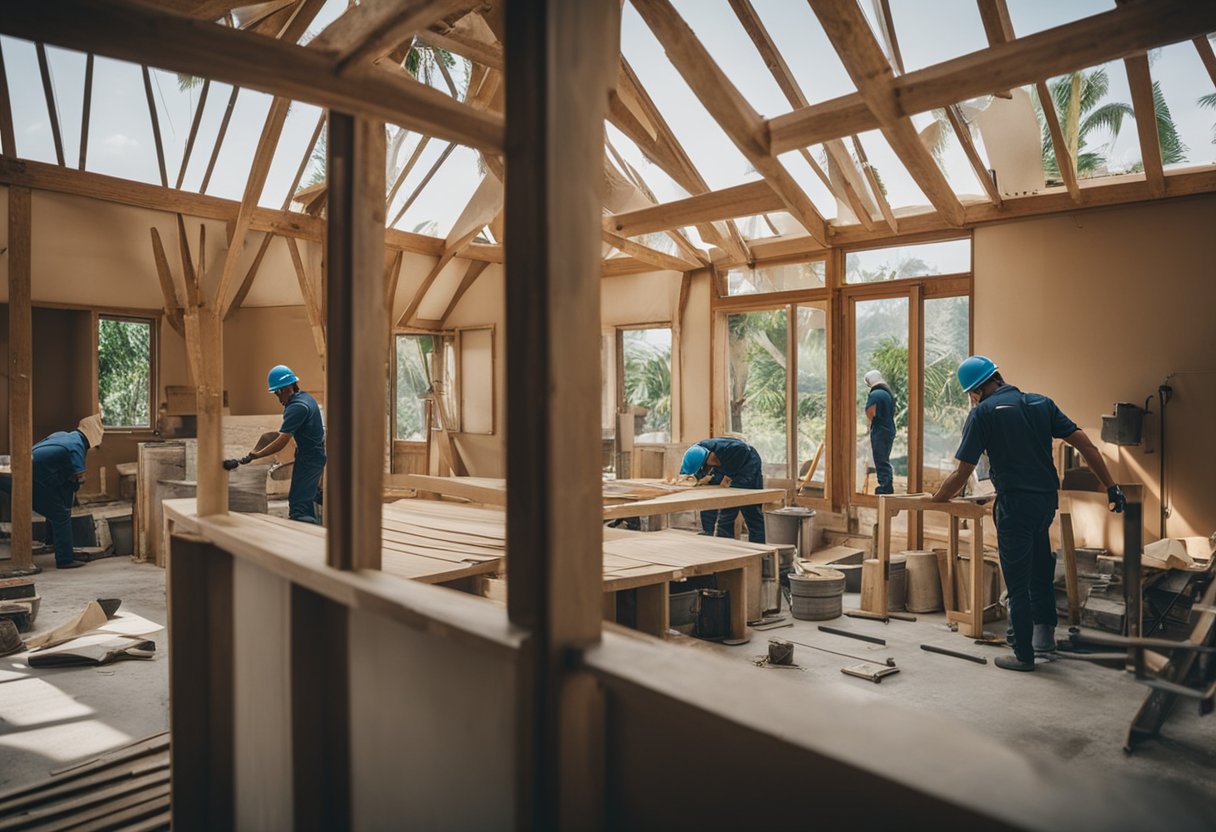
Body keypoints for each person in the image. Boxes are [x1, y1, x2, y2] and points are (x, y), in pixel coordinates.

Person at [930, 356, 1125, 672]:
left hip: (1015, 506)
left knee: (1017, 584)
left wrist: (936, 499)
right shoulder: (1040, 403)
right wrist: (1111, 485)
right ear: (998, 376)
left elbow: (962, 471)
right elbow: (1088, 446)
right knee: (1039, 572)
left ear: (975, 391)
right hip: (1045, 503)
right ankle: (1044, 643)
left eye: (970, 395)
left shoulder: (982, 414)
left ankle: (1023, 654)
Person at [0, 414, 104, 569]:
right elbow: (77, 477)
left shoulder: (62, 435)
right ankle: (65, 559)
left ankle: (51, 543)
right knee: (61, 515)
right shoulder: (77, 447)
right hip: (29, 478)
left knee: (55, 506)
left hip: (14, 469)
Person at [228, 365, 325, 524]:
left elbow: (281, 441)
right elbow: (276, 436)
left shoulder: (297, 407)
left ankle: (304, 538)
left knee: (298, 506)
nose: (279, 399)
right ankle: (343, 511)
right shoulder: (306, 398)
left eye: (279, 393)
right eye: (276, 394)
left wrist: (257, 455)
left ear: (288, 388)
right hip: (312, 455)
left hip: (310, 458)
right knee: (311, 494)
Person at [679, 437, 766, 543]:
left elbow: (741, 453)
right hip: (726, 464)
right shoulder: (698, 451)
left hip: (748, 466)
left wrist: (730, 479)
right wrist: (697, 477)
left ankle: (758, 547)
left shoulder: (735, 449)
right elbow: (700, 466)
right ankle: (709, 533)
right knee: (710, 498)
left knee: (741, 509)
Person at [864, 369, 896, 495]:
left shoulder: (876, 394)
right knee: (884, 458)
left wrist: (872, 422)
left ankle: (885, 486)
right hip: (889, 429)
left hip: (880, 430)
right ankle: (887, 483)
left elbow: (870, 410)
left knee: (880, 459)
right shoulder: (887, 393)